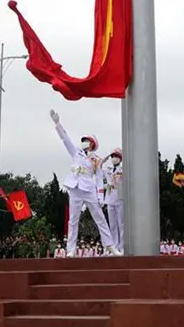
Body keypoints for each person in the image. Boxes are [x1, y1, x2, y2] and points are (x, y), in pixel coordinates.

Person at [49, 109, 122, 258]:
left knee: (100, 218)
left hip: (89, 189)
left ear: (92, 144)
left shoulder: (96, 159)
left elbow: (99, 179)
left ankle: (110, 246)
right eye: (83, 140)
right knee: (73, 220)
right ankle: (71, 249)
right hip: (75, 188)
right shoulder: (76, 153)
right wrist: (58, 123)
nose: (83, 143)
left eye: (86, 141)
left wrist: (101, 197)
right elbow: (65, 139)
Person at [101, 148, 124, 253]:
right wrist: (106, 157)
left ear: (120, 158)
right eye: (112, 156)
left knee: (121, 224)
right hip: (110, 198)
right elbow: (98, 168)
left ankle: (122, 247)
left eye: (116, 156)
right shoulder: (108, 169)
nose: (114, 158)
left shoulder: (123, 170)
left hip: (119, 197)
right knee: (113, 225)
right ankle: (115, 248)